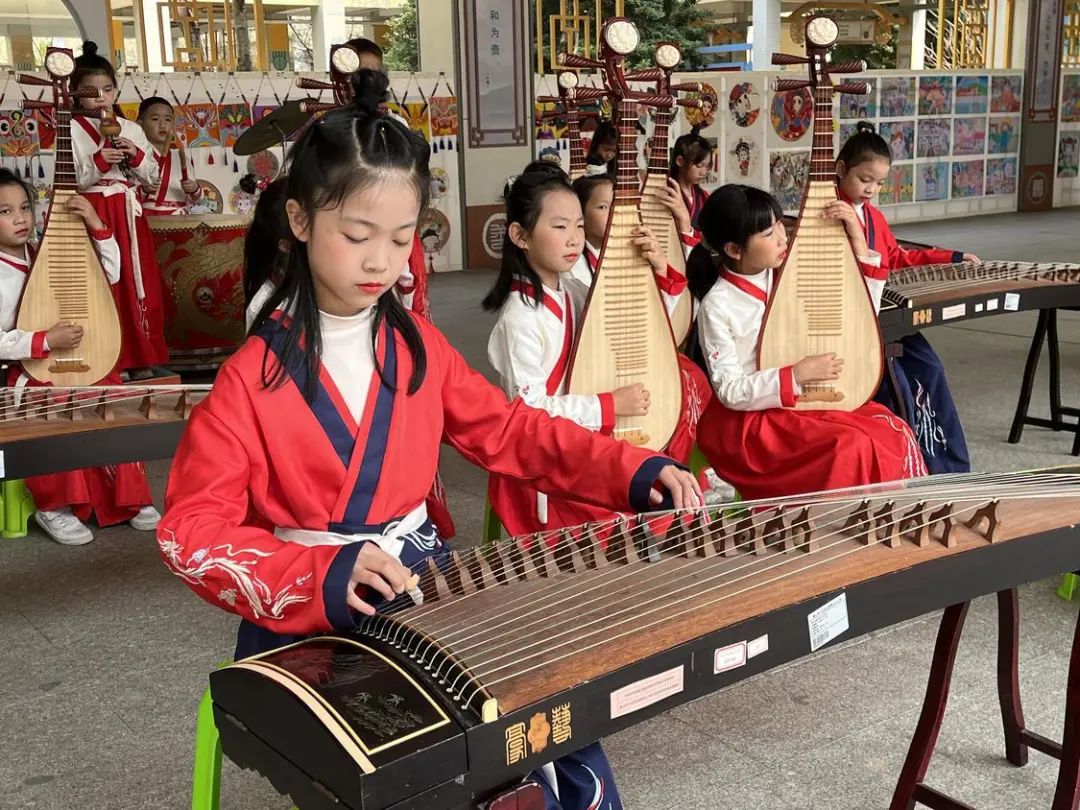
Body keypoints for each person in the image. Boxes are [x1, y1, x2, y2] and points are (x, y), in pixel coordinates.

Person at [158, 73, 700, 810]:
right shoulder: (249, 379)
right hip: (311, 613)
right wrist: (320, 573)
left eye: (402, 239)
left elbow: (511, 433)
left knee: (550, 729)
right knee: (441, 767)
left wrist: (636, 471)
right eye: (357, 235)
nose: (381, 261)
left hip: (420, 585)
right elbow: (192, 531)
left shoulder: (419, 348)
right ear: (299, 219)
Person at [687, 184, 926, 502]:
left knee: (889, 430)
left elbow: (857, 316)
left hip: (800, 401)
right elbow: (730, 390)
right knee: (848, 445)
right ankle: (841, 529)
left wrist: (857, 238)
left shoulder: (788, 275)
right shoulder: (717, 305)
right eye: (769, 234)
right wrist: (794, 375)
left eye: (780, 227)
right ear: (734, 249)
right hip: (751, 419)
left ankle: (889, 518)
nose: (783, 239)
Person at [0, 169, 160, 544]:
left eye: (24, 207)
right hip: (31, 370)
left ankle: (128, 499)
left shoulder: (44, 254)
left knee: (111, 394)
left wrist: (96, 224)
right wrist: (43, 339)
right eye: (5, 212)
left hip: (76, 360)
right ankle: (52, 505)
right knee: (55, 402)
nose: (20, 218)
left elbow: (110, 274)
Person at [835, 122, 976, 473]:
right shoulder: (827, 213)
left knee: (930, 368)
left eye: (880, 182)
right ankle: (920, 464)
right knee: (904, 380)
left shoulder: (873, 217)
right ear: (840, 169)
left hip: (879, 314)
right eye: (865, 179)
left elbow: (895, 257)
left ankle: (944, 464)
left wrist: (950, 258)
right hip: (847, 322)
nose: (872, 189)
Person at [569, 169, 711, 464]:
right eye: (603, 206)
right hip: (597, 364)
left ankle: (670, 456)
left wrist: (660, 267)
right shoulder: (574, 267)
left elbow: (659, 320)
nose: (615, 212)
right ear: (580, 216)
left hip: (638, 351)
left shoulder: (634, 253)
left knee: (690, 379)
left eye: (622, 204)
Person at [69, 41, 167, 378]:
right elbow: (71, 178)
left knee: (137, 282)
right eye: (91, 91)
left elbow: (152, 178)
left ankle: (141, 356)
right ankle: (110, 355)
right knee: (102, 281)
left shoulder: (132, 130)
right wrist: (98, 161)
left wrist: (136, 156)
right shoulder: (68, 129)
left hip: (128, 212)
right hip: (94, 210)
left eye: (108, 89)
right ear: (75, 93)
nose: (101, 98)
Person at [135, 96, 202, 216]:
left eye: (168, 119)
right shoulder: (135, 156)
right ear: (140, 124)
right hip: (147, 219)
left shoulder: (181, 158)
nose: (162, 125)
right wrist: (144, 190)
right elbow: (125, 195)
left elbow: (196, 199)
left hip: (179, 218)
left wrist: (194, 188)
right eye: (155, 119)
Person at [669, 128, 711, 233]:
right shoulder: (667, 192)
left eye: (707, 166)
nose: (703, 172)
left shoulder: (704, 197)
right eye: (699, 165)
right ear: (680, 161)